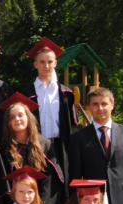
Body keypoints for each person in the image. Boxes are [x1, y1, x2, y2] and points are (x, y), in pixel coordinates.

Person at [69, 87, 123, 204]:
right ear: (89, 107)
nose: (100, 108)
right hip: (93, 202)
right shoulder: (78, 137)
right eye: (95, 104)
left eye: (104, 104)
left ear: (112, 105)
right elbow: (76, 175)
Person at [0, 92, 65, 204]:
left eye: (20, 115)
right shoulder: (4, 148)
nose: (17, 119)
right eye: (12, 117)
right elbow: (3, 182)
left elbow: (50, 179)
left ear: (28, 117)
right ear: (8, 123)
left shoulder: (44, 144)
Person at [26, 37, 76, 183]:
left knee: (63, 182)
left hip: (61, 145)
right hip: (37, 144)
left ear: (55, 63)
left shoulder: (66, 93)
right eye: (42, 62)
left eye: (50, 61)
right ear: (35, 64)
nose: (46, 66)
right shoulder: (28, 93)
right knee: (41, 183)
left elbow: (72, 124)